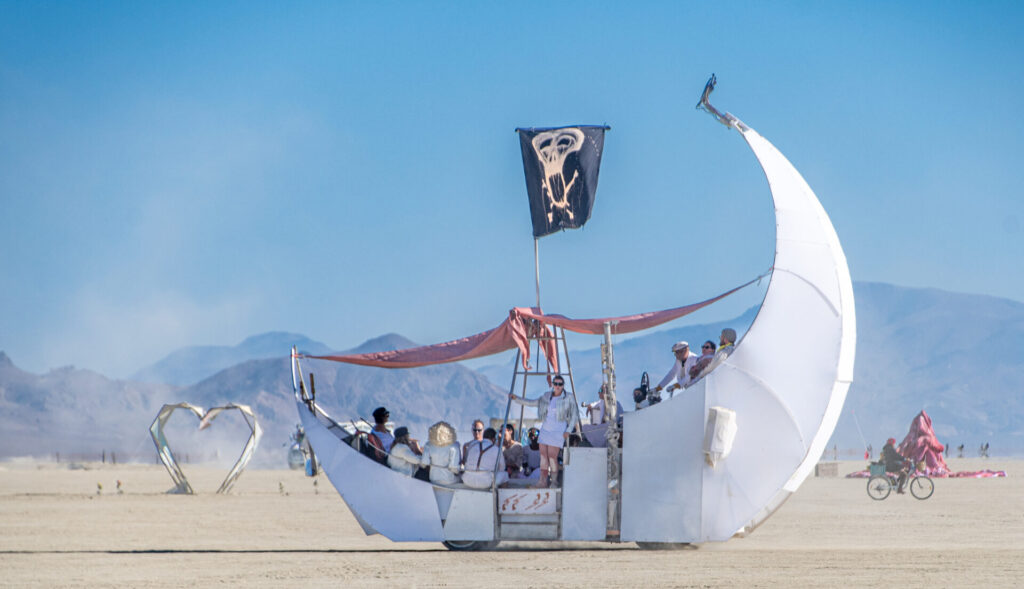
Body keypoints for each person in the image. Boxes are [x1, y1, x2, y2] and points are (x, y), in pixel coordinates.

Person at [508, 375, 580, 488]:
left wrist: (569, 430)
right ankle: (542, 481)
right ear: (552, 384)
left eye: (560, 384)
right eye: (555, 383)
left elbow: (574, 415)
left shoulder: (568, 397)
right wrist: (516, 399)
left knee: (552, 457)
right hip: (545, 429)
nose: (557, 386)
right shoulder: (547, 396)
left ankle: (554, 481)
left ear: (563, 385)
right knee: (543, 457)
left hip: (557, 431)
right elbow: (532, 402)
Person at [420, 421, 462, 485]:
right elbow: (454, 469)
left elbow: (424, 463)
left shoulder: (428, 445)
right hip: (449, 480)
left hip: (433, 479)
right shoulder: (454, 446)